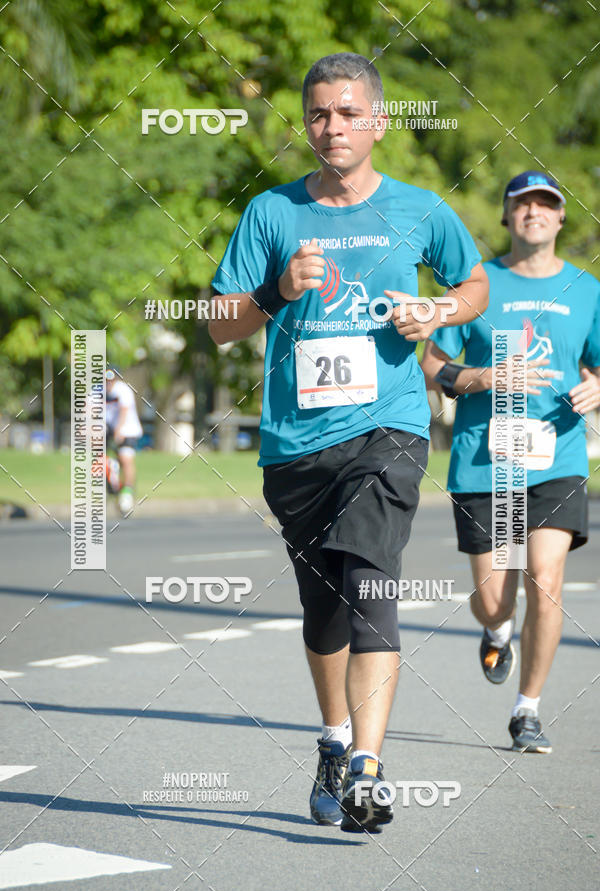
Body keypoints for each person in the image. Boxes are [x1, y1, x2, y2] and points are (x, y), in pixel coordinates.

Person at [209, 52, 488, 832]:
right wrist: (276, 291)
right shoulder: (271, 213)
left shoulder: (419, 209)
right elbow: (220, 323)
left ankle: (368, 765)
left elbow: (474, 287)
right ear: (307, 123)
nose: (332, 126)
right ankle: (334, 738)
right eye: (320, 114)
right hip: (296, 444)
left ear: (380, 121)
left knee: (371, 583)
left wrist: (435, 313)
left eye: (347, 112)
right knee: (325, 609)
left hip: (387, 430)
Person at [421, 170, 600, 753]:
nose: (534, 213)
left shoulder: (587, 289)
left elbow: (597, 365)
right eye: (522, 204)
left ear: (560, 217)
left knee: (545, 581)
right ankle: (497, 629)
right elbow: (431, 360)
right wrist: (475, 379)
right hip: (485, 461)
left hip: (557, 457)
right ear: (507, 216)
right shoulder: (478, 285)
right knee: (496, 599)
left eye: (546, 204)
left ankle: (527, 710)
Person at [105, 368, 143, 515]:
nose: (108, 383)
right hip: (108, 428)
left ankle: (127, 493)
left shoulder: (123, 390)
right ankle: (110, 486)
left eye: (111, 380)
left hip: (127, 429)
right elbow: (89, 407)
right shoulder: (98, 390)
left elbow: (124, 410)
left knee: (126, 459)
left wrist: (119, 430)